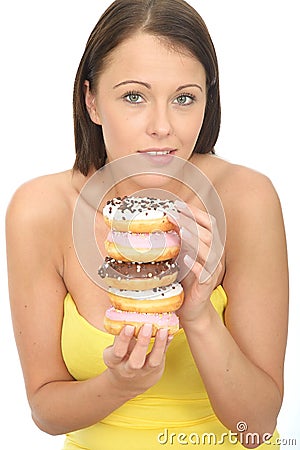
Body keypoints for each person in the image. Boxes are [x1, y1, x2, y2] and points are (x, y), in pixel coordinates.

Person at [6, 0, 289, 449]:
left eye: (184, 98)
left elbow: (255, 427)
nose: (163, 126)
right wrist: (120, 383)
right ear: (92, 101)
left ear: (206, 101)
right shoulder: (39, 210)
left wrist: (198, 314)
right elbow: (44, 410)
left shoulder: (246, 200)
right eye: (134, 96)